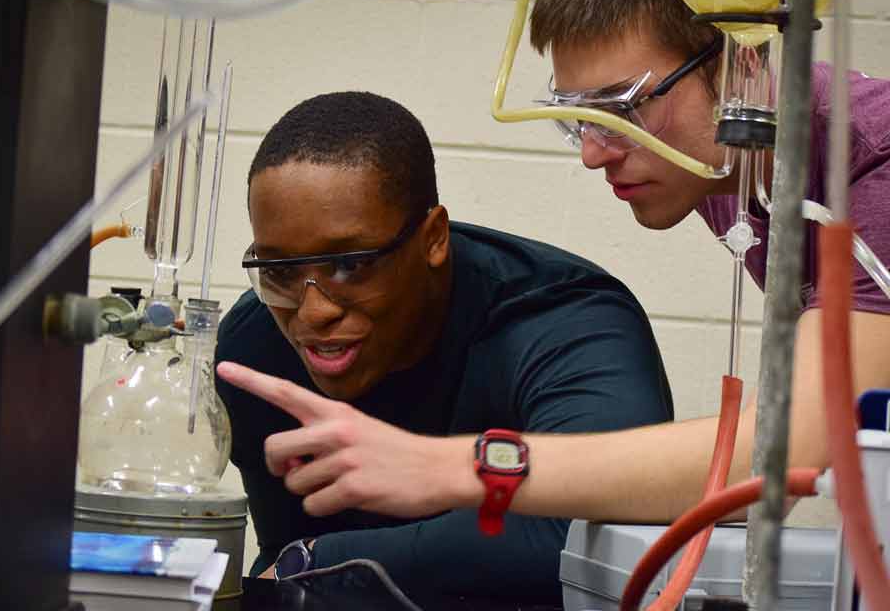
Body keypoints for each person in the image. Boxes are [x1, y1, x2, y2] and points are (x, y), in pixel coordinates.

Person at [217, 0, 890, 533]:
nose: (596, 154)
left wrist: (450, 468)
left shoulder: (869, 169)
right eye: (580, 120)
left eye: (623, 109)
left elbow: (792, 447)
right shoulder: (720, 164)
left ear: (746, 62)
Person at [214, 91, 675, 601]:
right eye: (279, 271)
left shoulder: (566, 322)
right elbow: (283, 553)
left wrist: (320, 561)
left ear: (433, 237)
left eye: (351, 265)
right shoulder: (254, 344)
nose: (314, 311)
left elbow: (590, 532)